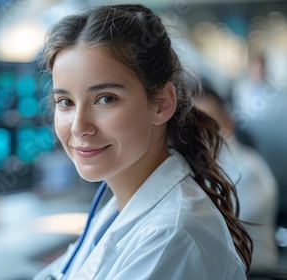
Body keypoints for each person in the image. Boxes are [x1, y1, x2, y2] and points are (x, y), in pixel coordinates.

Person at [34, 4, 252, 280]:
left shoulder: (173, 237)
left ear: (162, 103)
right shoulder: (116, 207)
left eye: (106, 99)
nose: (79, 127)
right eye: (65, 102)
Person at [195, 86, 279, 271]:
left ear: (228, 123)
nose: (198, 132)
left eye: (206, 122)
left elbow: (212, 236)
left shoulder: (247, 170)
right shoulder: (202, 162)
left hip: (255, 273)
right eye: (191, 125)